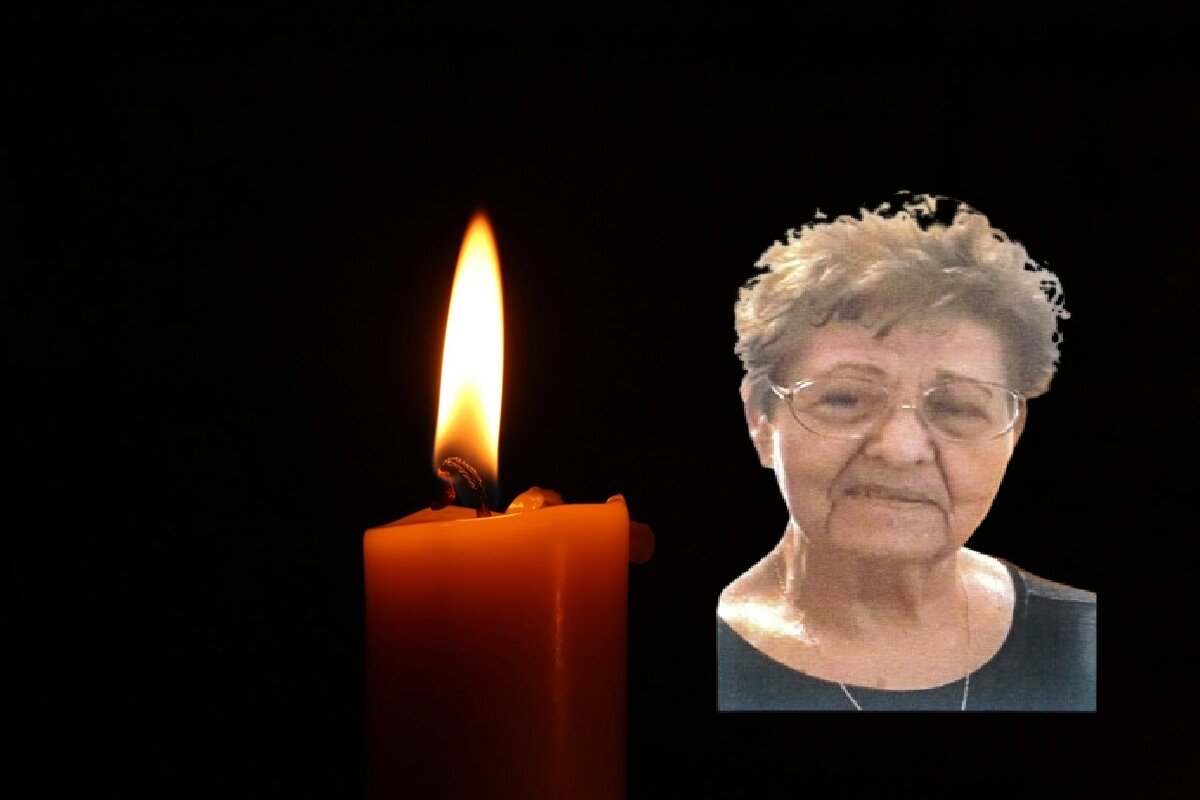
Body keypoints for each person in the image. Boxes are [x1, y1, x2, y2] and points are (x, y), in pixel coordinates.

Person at [717, 194, 1095, 711]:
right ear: (760, 418)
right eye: (845, 400)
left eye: (958, 408)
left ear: (1013, 432)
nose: (900, 449)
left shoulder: (1084, 643)